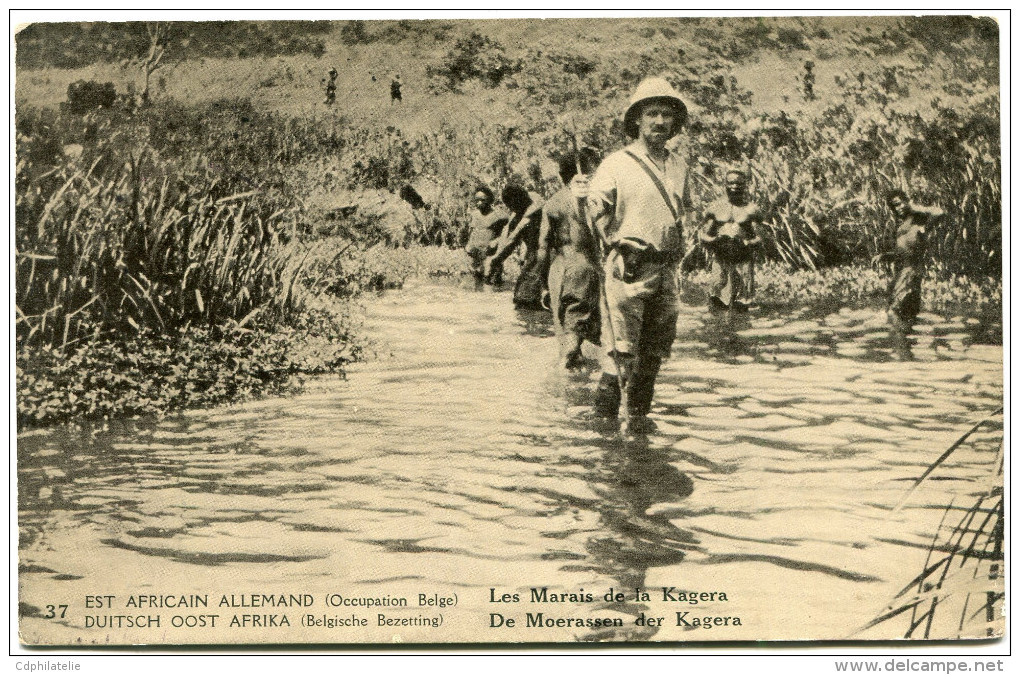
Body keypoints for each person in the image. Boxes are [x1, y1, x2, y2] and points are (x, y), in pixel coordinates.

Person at [583, 77, 692, 428]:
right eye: (652, 113)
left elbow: (679, 213)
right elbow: (595, 210)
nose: (660, 122)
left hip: (666, 271)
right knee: (620, 355)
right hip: (628, 269)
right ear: (637, 120)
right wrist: (588, 202)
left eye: (667, 115)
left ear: (676, 122)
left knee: (654, 356)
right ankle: (604, 435)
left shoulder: (678, 166)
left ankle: (639, 429)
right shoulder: (616, 164)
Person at [537, 148, 603, 370]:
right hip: (584, 267)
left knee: (565, 330)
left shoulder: (552, 203)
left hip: (558, 270)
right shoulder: (590, 202)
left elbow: (543, 246)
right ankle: (562, 378)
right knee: (578, 332)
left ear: (561, 175)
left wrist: (542, 283)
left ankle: (570, 387)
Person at [872, 190, 943, 334]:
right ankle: (907, 350)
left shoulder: (919, 220)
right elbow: (903, 252)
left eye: (899, 204)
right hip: (904, 272)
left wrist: (913, 207)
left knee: (893, 312)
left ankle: (899, 348)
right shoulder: (903, 226)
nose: (898, 208)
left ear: (907, 201)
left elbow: (939, 212)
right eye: (894, 206)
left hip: (910, 272)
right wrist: (885, 256)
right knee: (907, 315)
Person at [700, 169, 762, 312]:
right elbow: (703, 236)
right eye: (731, 182)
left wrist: (746, 242)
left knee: (742, 308)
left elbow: (760, 239)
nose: (735, 186)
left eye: (739, 183)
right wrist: (715, 240)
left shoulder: (751, 210)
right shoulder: (715, 208)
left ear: (745, 185)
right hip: (720, 261)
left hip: (742, 262)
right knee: (716, 306)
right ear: (725, 184)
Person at [486, 184, 546, 309]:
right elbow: (507, 231)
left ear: (517, 202)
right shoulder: (526, 203)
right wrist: (498, 251)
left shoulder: (531, 214)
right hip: (535, 255)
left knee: (523, 299)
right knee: (522, 296)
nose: (511, 210)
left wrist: (496, 259)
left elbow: (513, 238)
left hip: (542, 256)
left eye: (511, 206)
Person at [464, 186, 510, 286]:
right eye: (477, 200)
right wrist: (469, 245)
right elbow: (473, 232)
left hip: (491, 255)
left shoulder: (499, 215)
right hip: (476, 255)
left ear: (490, 200)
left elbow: (509, 232)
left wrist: (497, 241)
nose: (479, 203)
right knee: (477, 286)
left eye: (482, 200)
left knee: (491, 285)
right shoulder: (474, 215)